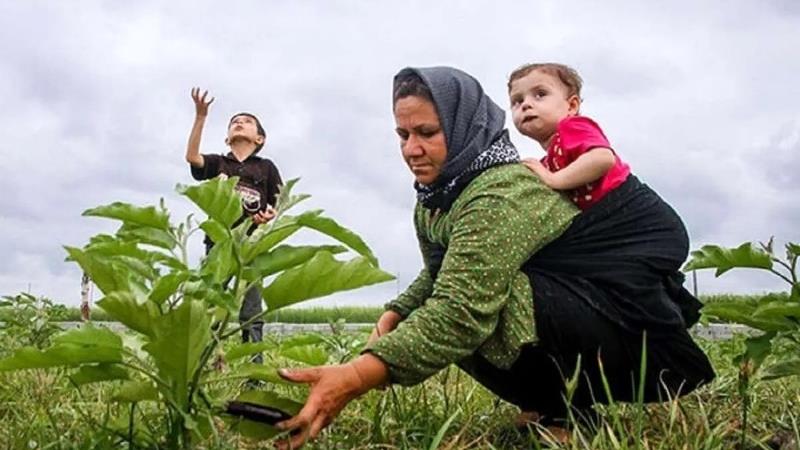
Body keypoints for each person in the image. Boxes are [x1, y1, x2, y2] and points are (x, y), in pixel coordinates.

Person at [273, 67, 714, 449]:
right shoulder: (435, 198)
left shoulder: (499, 190)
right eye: (403, 135)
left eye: (427, 133)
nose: (411, 149)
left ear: (464, 126)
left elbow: (461, 308)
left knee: (486, 306)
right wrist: (396, 311)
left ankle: (569, 410)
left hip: (616, 318)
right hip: (573, 304)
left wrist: (355, 376)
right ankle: (550, 405)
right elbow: (439, 271)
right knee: (437, 308)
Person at [185, 88, 283, 361]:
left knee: (251, 310)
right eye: (234, 121)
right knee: (209, 304)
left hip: (251, 246)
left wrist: (269, 217)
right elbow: (193, 158)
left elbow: (279, 201)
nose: (239, 122)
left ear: (259, 138)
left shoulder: (266, 167)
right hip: (218, 245)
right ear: (227, 138)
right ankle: (205, 362)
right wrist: (200, 116)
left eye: (247, 121)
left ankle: (254, 372)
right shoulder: (218, 163)